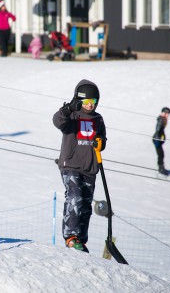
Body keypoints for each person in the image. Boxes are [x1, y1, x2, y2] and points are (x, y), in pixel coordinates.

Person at [52, 79, 107, 252]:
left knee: (85, 204)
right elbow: (57, 121)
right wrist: (68, 108)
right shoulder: (72, 115)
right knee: (74, 197)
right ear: (79, 100)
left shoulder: (98, 119)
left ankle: (81, 240)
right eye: (87, 102)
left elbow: (102, 138)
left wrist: (101, 142)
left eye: (94, 102)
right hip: (71, 165)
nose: (90, 105)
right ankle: (71, 236)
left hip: (90, 168)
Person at [153, 107, 170, 176]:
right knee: (161, 154)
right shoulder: (161, 119)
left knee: (161, 154)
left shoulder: (163, 119)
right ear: (164, 113)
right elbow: (158, 130)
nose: (168, 115)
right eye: (167, 114)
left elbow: (161, 131)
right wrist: (158, 140)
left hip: (158, 139)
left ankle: (162, 167)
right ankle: (160, 169)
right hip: (156, 139)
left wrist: (163, 138)